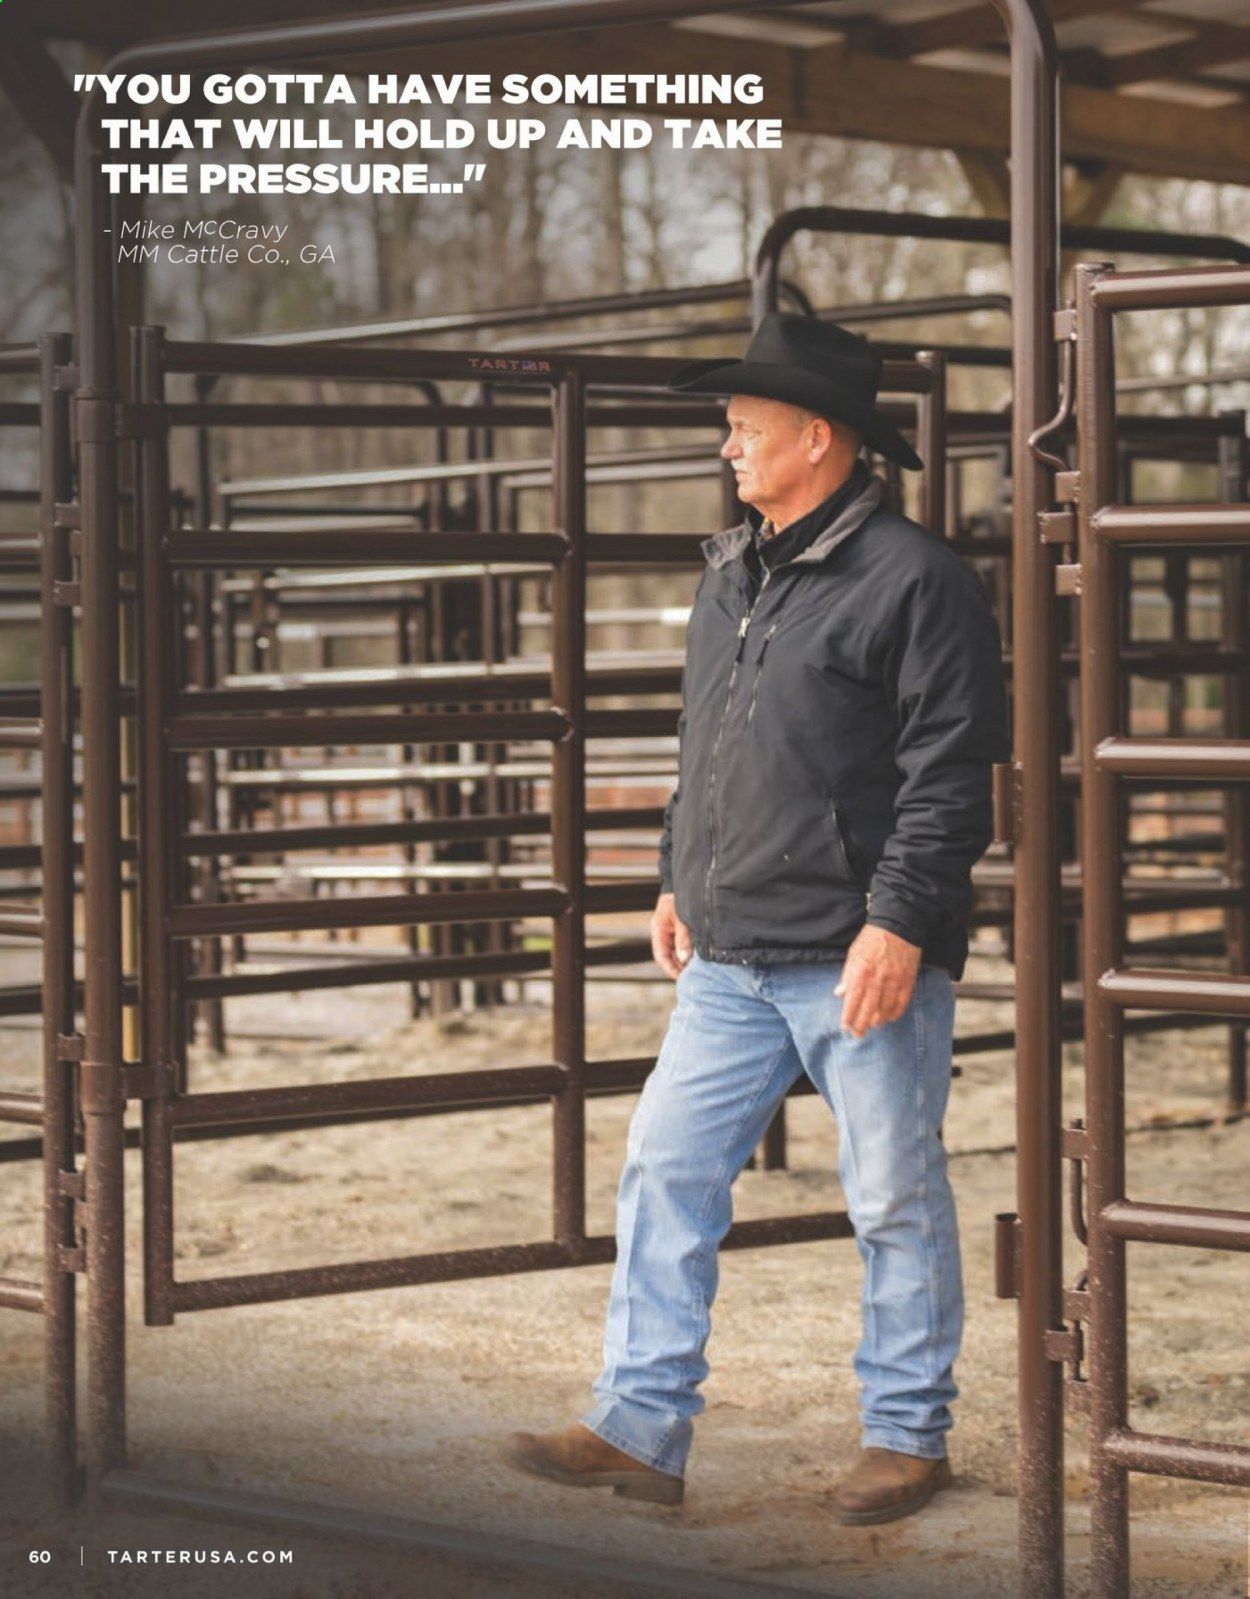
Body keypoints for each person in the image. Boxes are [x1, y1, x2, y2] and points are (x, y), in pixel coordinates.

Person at [504, 313, 1011, 1524]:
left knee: (889, 1193)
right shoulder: (730, 573)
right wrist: (678, 873)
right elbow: (708, 746)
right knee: (664, 1169)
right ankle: (638, 1428)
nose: (725, 446)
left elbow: (952, 775)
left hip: (858, 953)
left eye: (745, 427)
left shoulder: (916, 581)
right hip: (730, 953)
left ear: (817, 438)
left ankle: (906, 1436)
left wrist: (897, 924)